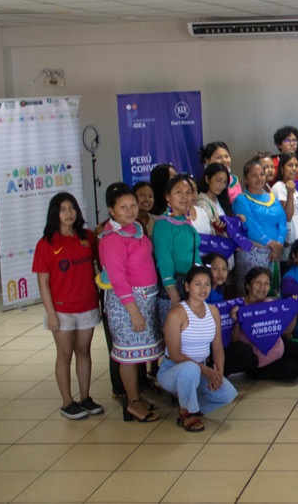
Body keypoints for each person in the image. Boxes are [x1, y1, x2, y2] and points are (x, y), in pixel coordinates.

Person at [33, 192, 102, 420]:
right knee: (64, 354)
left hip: (87, 305)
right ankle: (67, 402)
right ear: (55, 213)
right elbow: (43, 282)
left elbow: (96, 266)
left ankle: (85, 397)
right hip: (61, 310)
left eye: (72, 208)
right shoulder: (46, 244)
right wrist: (51, 315)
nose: (69, 213)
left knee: (84, 351)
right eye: (63, 209)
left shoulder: (88, 237)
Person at [99, 184, 164, 422]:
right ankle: (133, 402)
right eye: (123, 207)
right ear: (111, 210)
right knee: (128, 355)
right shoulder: (113, 239)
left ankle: (137, 395)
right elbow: (118, 280)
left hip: (145, 298)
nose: (129, 210)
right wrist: (134, 312)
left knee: (138, 354)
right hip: (126, 304)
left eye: (132, 205)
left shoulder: (136, 227)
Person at [157, 267, 237, 432]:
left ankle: (188, 401)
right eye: (198, 284)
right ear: (187, 286)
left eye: (207, 284)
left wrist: (218, 374)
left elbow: (217, 347)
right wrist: (208, 372)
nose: (203, 289)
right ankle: (186, 413)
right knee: (190, 369)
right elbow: (175, 355)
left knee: (228, 394)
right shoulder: (177, 313)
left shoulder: (213, 311)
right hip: (172, 370)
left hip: (200, 370)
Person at [232, 267, 298, 381]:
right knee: (293, 369)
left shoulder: (269, 303)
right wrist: (236, 322)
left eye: (266, 284)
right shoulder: (238, 308)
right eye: (258, 283)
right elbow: (234, 342)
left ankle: (292, 360)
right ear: (248, 285)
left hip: (279, 348)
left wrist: (291, 309)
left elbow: (288, 330)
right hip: (259, 361)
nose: (262, 288)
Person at [231, 159, 286, 293]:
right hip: (252, 252)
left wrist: (279, 242)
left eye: (262, 174)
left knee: (271, 292)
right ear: (246, 178)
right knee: (252, 292)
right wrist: (271, 243)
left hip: (275, 252)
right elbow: (250, 225)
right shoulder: (241, 199)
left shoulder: (272, 197)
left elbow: (282, 221)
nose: (259, 178)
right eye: (254, 175)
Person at [152, 174, 202, 319]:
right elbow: (164, 260)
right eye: (178, 192)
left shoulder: (185, 221)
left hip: (191, 288)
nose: (184, 197)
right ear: (167, 196)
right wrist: (174, 295)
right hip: (175, 290)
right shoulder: (163, 224)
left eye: (188, 192)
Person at [200, 253, 257, 375]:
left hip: (219, 342)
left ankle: (218, 373)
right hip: (205, 346)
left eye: (224, 269)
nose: (221, 273)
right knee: (245, 353)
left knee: (251, 358)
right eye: (215, 269)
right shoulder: (203, 293)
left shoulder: (220, 291)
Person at [196, 163, 231, 237]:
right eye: (218, 180)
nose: (221, 185)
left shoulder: (221, 199)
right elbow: (208, 232)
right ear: (207, 179)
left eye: (225, 182)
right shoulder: (201, 203)